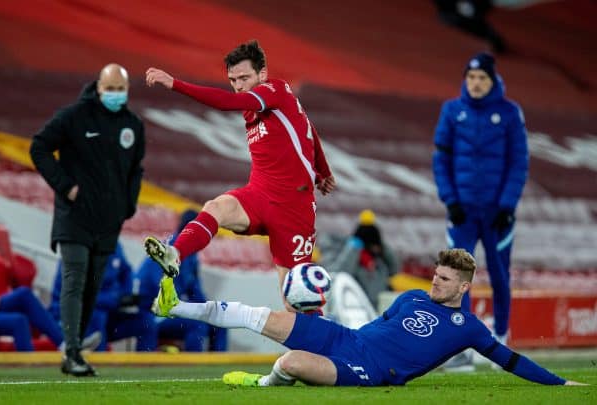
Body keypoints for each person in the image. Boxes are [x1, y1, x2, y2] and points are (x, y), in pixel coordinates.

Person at [150, 248, 585, 387]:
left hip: (370, 370)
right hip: (348, 339)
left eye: (444, 280)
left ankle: (263, 386)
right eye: (435, 275)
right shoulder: (412, 296)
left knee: (290, 363)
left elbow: (508, 360)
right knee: (254, 314)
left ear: (464, 287)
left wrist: (560, 383)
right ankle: (174, 305)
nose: (434, 284)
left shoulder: (467, 328)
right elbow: (382, 324)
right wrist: (331, 328)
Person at [143, 40, 335, 312]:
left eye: (245, 78)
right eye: (233, 79)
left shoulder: (274, 89)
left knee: (296, 302)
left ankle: (325, 352)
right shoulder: (267, 107)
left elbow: (227, 102)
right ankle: (175, 254)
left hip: (293, 209)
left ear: (262, 74)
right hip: (258, 194)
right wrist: (323, 170)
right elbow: (308, 127)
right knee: (216, 207)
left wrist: (175, 83)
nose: (239, 85)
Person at [29, 63, 145, 376]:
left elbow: (136, 170)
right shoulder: (73, 117)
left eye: (121, 90)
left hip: (108, 223)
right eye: (111, 89)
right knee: (75, 279)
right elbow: (38, 147)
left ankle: (74, 349)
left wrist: (128, 206)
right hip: (74, 219)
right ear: (98, 87)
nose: (116, 95)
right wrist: (65, 187)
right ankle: (71, 348)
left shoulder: (133, 126)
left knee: (92, 287)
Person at [432, 52, 528, 369]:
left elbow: (518, 162)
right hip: (462, 212)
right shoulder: (452, 110)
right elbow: (441, 158)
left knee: (499, 274)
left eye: (481, 78)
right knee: (456, 277)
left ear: (492, 80)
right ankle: (461, 345)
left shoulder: (510, 113)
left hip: (497, 214)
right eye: (470, 77)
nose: (475, 83)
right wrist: (451, 200)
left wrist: (507, 205)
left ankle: (501, 338)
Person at [135, 209, 227, 351]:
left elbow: (195, 292)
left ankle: (219, 370)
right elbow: (156, 290)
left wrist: (209, 310)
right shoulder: (166, 251)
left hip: (177, 309)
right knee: (196, 325)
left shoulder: (191, 256)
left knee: (220, 322)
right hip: (156, 312)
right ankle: (193, 370)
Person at [50, 242, 157, 352]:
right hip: (70, 319)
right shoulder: (76, 248)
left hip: (107, 313)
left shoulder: (113, 243)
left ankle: (148, 367)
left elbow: (126, 271)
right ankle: (99, 365)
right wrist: (117, 300)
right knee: (97, 314)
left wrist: (127, 294)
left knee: (146, 321)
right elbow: (80, 296)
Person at [325, 209, 398, 309]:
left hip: (379, 311)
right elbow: (341, 274)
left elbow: (394, 270)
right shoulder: (354, 259)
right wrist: (353, 250)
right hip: (357, 310)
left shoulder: (380, 262)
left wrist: (384, 248)